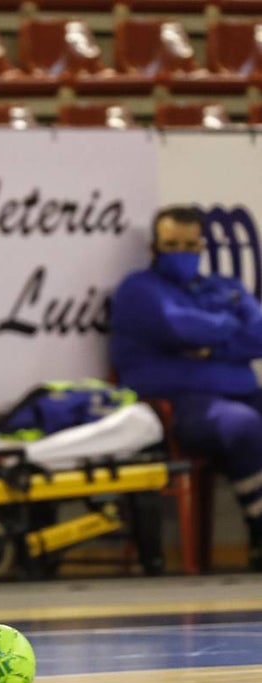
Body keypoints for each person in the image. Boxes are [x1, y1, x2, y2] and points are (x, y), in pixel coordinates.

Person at [110, 204, 262, 571]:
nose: (182, 253)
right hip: (175, 407)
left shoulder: (222, 286)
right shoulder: (138, 290)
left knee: (246, 416)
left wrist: (211, 347)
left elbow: (258, 333)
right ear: (154, 248)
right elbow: (181, 328)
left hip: (239, 394)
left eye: (190, 245)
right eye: (171, 245)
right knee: (243, 425)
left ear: (202, 247)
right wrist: (230, 323)